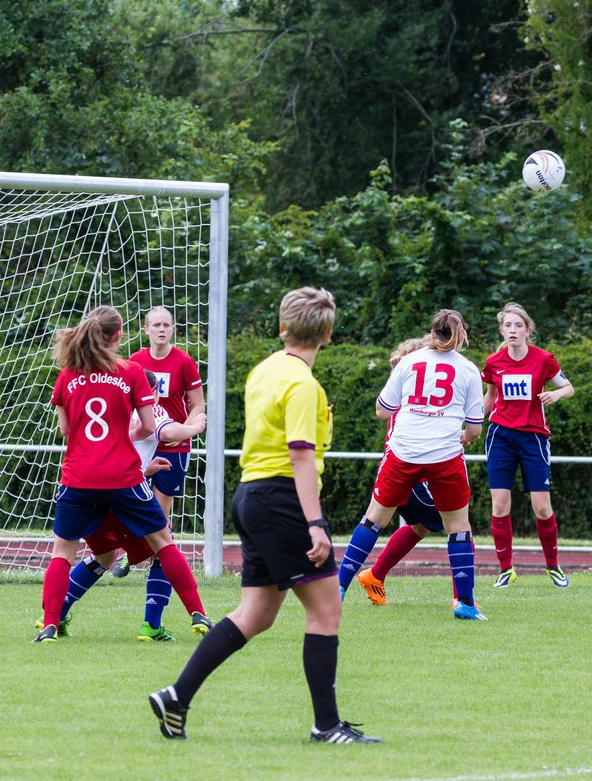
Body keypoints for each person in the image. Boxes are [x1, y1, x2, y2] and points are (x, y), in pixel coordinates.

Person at [149, 287, 380, 744]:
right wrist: (315, 523)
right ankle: (327, 726)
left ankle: (177, 696)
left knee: (255, 613)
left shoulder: (265, 370)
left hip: (251, 495)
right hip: (281, 499)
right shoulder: (303, 384)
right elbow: (298, 455)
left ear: (281, 328)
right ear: (328, 334)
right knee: (327, 611)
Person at [35, 306, 210, 644]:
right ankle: (197, 613)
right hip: (122, 477)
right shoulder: (131, 370)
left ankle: (49, 624)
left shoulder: (67, 375)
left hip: (79, 476)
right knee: (163, 541)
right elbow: (149, 426)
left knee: (63, 552)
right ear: (118, 336)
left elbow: (65, 430)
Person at [334, 309, 487, 621]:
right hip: (444, 456)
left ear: (431, 334)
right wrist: (451, 432)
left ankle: (338, 589)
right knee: (458, 528)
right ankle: (465, 604)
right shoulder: (469, 370)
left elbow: (381, 410)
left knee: (373, 520)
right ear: (462, 337)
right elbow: (473, 431)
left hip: (403, 453)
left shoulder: (409, 361)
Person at [339, 336, 450, 607]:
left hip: (399, 467)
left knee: (419, 526)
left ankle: (373, 576)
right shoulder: (412, 394)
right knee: (459, 526)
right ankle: (464, 598)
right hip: (412, 471)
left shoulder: (408, 393)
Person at [482, 303, 574, 589]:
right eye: (507, 326)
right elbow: (489, 399)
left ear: (527, 330)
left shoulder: (544, 359)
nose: (512, 330)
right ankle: (506, 569)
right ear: (502, 330)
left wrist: (556, 395)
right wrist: (466, 425)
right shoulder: (493, 362)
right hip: (501, 436)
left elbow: (569, 388)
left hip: (533, 437)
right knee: (499, 504)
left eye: (518, 326)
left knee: (542, 508)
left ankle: (552, 566)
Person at [114, 306, 205, 578]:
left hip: (171, 441)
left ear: (173, 329)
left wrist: (185, 430)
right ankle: (134, 549)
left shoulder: (184, 362)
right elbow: (124, 399)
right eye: (157, 325)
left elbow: (198, 404)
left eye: (167, 325)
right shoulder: (135, 361)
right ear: (147, 330)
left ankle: (155, 557)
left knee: (160, 503)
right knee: (130, 498)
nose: (162, 329)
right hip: (141, 441)